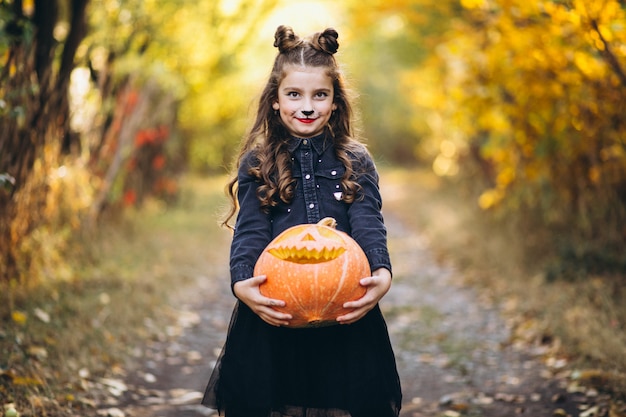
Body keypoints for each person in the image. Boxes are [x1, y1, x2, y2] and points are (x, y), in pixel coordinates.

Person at [202, 25, 402, 417]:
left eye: (319, 95)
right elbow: (252, 231)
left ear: (335, 102)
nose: (306, 106)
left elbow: (367, 221)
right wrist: (242, 282)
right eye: (294, 94)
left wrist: (381, 270)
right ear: (275, 100)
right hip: (275, 314)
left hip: (345, 311)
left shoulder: (355, 159)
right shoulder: (257, 163)